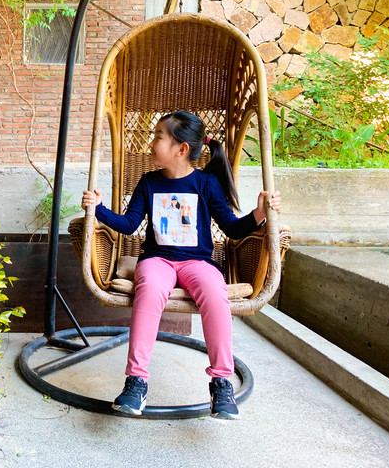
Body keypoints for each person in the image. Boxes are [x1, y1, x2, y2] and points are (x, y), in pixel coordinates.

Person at [81, 111, 281, 420]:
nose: (152, 143)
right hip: (157, 259)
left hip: (197, 262)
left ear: (181, 148)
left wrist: (259, 214)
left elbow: (231, 227)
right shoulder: (149, 182)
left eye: (158, 137)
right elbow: (129, 224)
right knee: (149, 290)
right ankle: (136, 382)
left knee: (215, 293)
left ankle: (221, 383)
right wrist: (99, 208)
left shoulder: (206, 183)